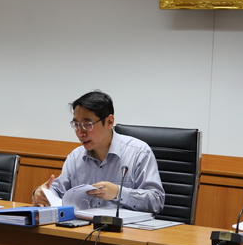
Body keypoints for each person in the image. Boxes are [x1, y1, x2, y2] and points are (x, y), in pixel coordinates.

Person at [32, 90, 164, 214]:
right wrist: (40, 193)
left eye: (87, 124)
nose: (80, 132)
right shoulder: (75, 157)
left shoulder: (139, 152)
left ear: (109, 122)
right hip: (83, 226)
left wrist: (118, 192)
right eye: (76, 124)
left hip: (125, 228)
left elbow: (156, 201)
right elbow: (56, 191)